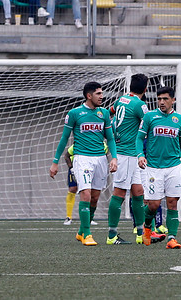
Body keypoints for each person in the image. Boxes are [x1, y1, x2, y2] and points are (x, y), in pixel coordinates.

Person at [49, 82, 118, 246]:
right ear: (89, 95)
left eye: (102, 93)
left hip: (101, 159)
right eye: (98, 94)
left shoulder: (104, 114)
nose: (102, 96)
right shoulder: (75, 113)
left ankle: (81, 231)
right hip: (82, 158)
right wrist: (55, 162)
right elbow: (64, 138)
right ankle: (87, 233)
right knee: (85, 193)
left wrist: (113, 158)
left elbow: (110, 138)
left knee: (94, 197)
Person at [107, 74, 166, 245]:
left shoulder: (122, 99)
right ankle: (111, 236)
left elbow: (110, 111)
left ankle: (142, 234)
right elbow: (150, 123)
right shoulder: (141, 105)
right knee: (119, 193)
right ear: (146, 89)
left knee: (139, 192)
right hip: (125, 153)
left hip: (131, 154)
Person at [137, 86, 181, 249]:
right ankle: (146, 227)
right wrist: (140, 155)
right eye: (159, 99)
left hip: (174, 165)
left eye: (165, 99)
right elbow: (139, 138)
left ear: (173, 100)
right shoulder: (149, 117)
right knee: (153, 204)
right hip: (153, 167)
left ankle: (172, 238)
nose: (161, 102)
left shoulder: (179, 119)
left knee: (173, 202)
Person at [62, 143, 103, 226]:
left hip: (92, 169)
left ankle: (90, 217)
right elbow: (66, 156)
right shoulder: (77, 144)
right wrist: (71, 168)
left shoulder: (103, 146)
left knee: (91, 192)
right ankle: (68, 217)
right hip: (77, 168)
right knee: (73, 189)